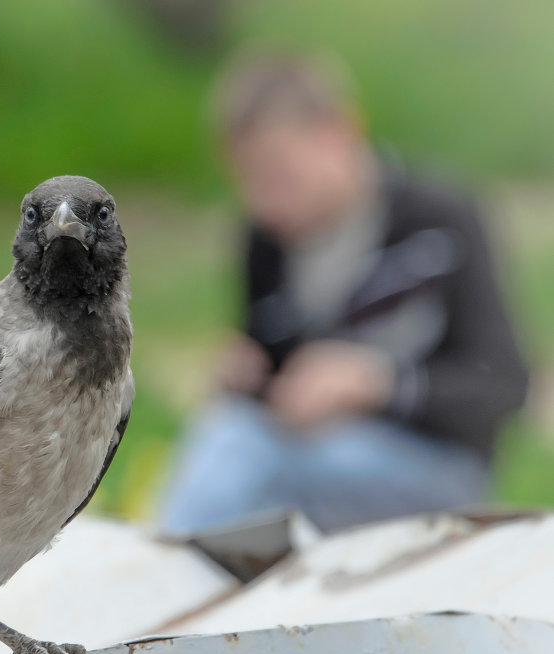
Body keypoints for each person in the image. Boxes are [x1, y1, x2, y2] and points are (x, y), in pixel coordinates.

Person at [158, 54, 530, 535]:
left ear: (339, 133)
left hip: (435, 468)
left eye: (278, 175)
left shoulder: (441, 218)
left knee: (241, 450)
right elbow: (275, 372)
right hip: (307, 460)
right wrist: (248, 377)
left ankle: (158, 571)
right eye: (247, 180)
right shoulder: (265, 239)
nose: (262, 201)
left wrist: (378, 384)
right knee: (236, 438)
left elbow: (505, 385)